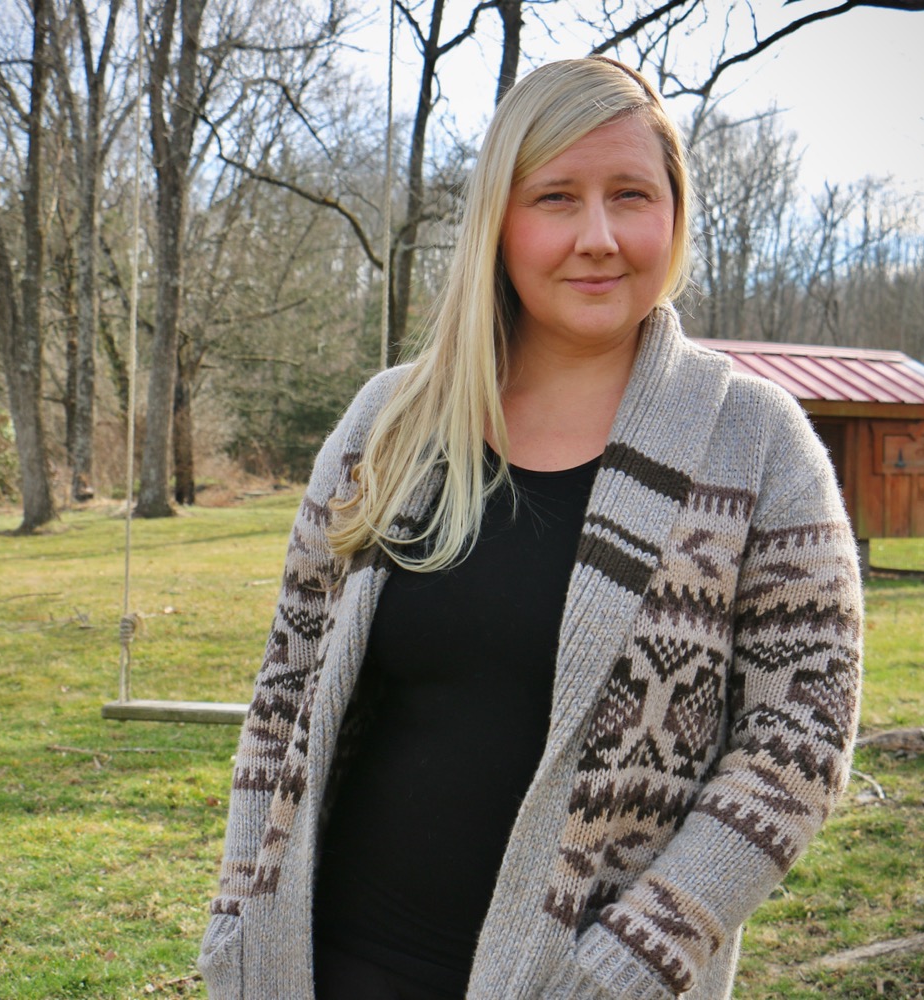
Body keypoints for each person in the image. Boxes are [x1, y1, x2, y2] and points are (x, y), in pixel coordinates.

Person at [198, 56, 863, 1000]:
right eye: (556, 197)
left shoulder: (753, 442)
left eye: (630, 194)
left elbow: (799, 740)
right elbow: (285, 692)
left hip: (579, 984)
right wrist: (240, 920)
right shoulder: (388, 424)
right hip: (329, 964)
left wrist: (625, 966)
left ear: (672, 214)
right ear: (498, 224)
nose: (598, 237)